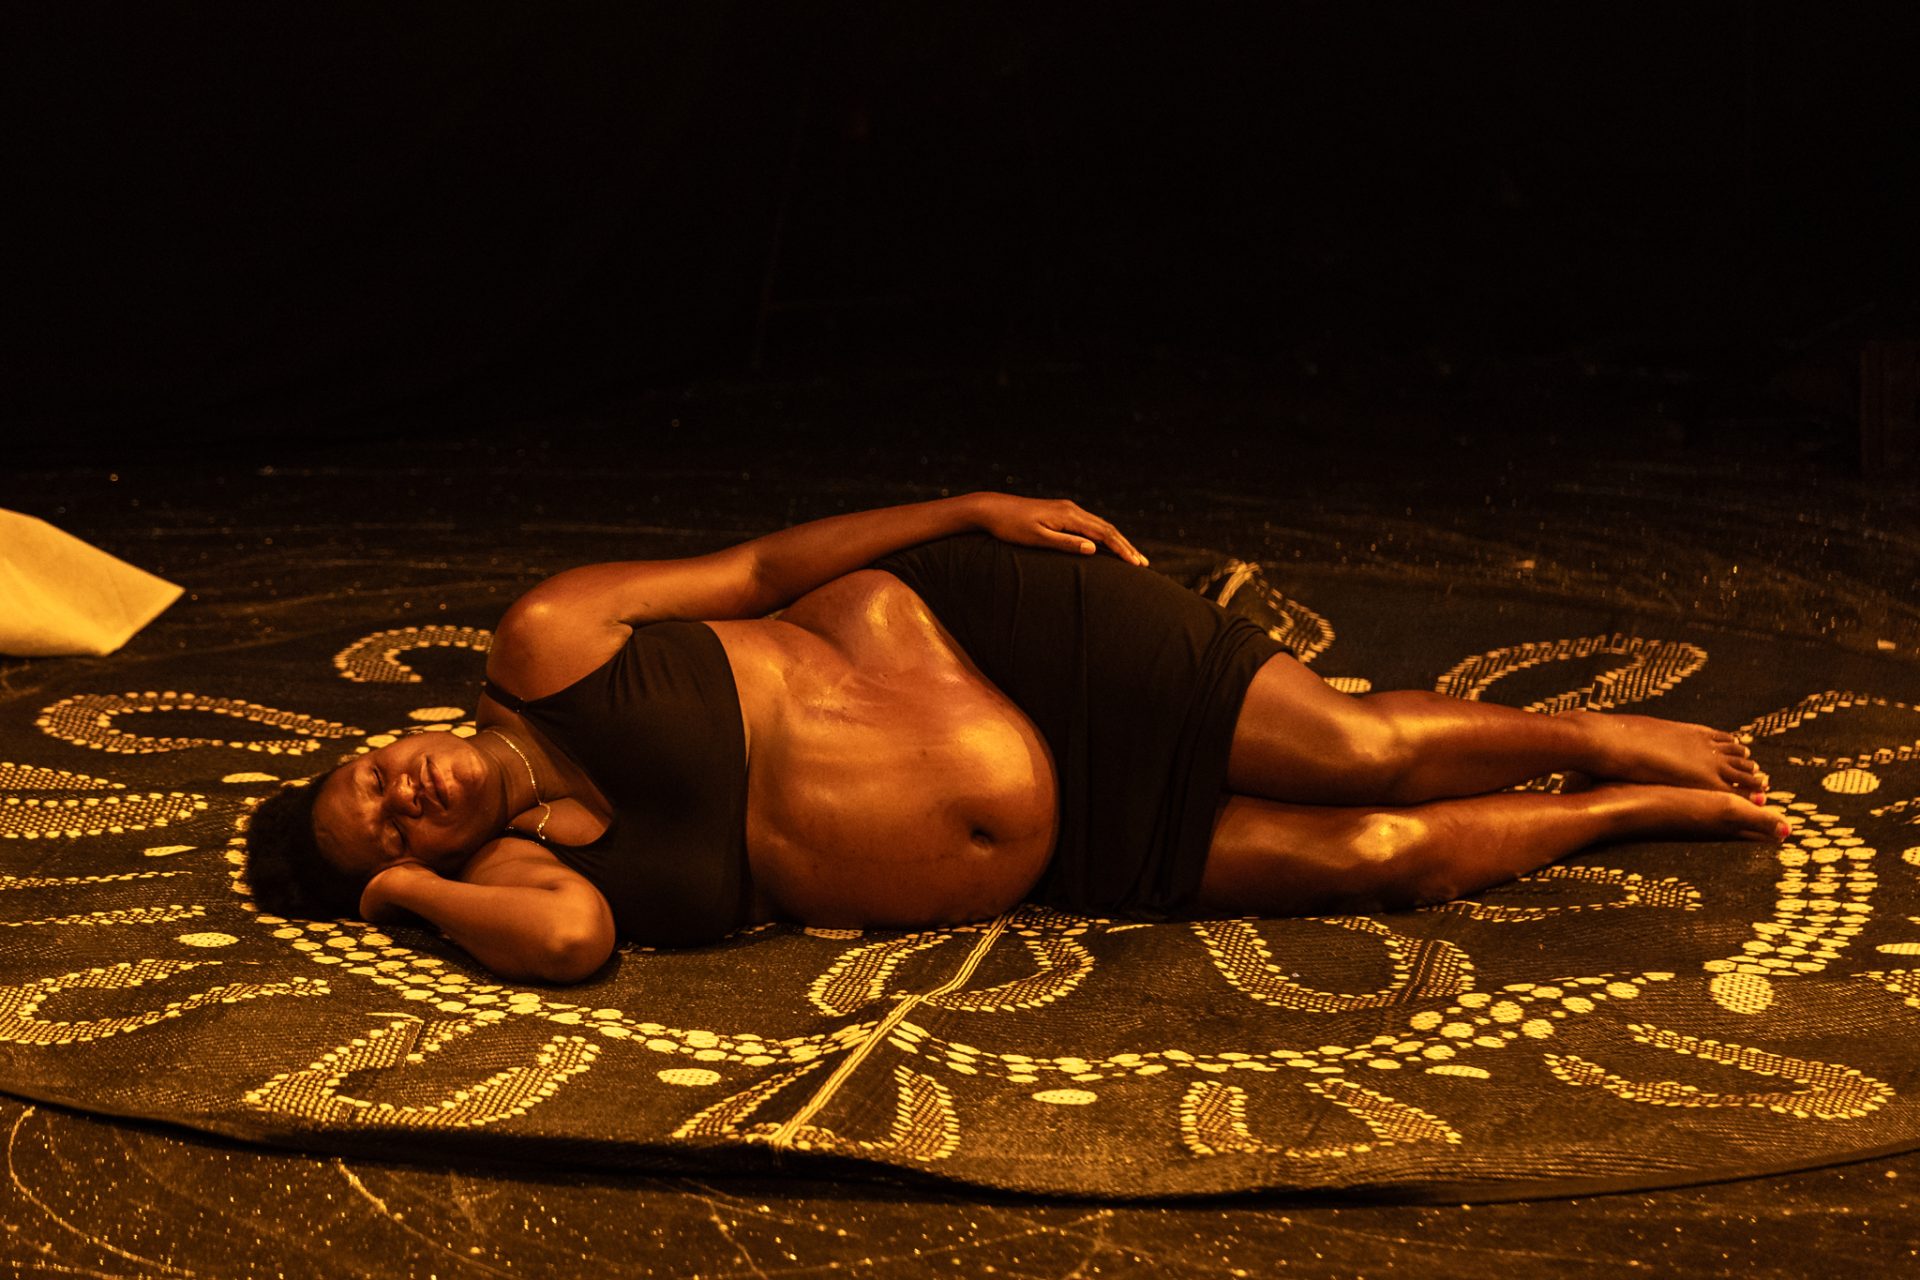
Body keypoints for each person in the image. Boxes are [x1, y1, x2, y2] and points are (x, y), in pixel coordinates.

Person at [244, 492, 1784, 984]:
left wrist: (968, 506)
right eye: (394, 829)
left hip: (997, 644)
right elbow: (573, 945)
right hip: (1060, 849)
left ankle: (1597, 734)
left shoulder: (547, 646)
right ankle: (1619, 813)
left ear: (388, 735)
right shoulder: (529, 876)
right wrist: (402, 893)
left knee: (1360, 755)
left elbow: (765, 569)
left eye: (372, 777)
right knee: (1380, 855)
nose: (404, 793)